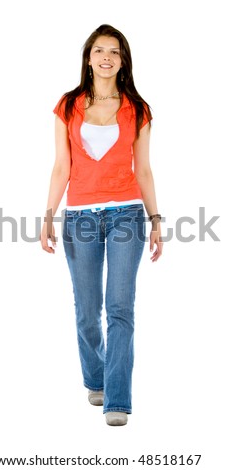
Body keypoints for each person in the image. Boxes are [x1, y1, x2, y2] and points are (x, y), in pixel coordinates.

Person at [40, 24, 163, 426]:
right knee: (87, 308)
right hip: (80, 218)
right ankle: (95, 377)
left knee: (120, 308)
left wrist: (155, 218)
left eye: (114, 51)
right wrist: (48, 215)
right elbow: (62, 166)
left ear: (123, 60)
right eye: (99, 50)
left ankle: (117, 400)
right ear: (88, 58)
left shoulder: (138, 108)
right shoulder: (68, 104)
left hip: (126, 213)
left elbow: (143, 169)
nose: (106, 56)